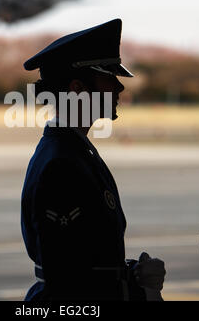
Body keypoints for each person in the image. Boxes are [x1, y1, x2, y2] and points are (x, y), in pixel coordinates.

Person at [21, 19, 166, 301]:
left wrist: (132, 274)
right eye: (108, 78)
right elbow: (69, 282)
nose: (119, 88)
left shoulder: (75, 151)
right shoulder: (62, 164)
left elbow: (87, 258)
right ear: (77, 88)